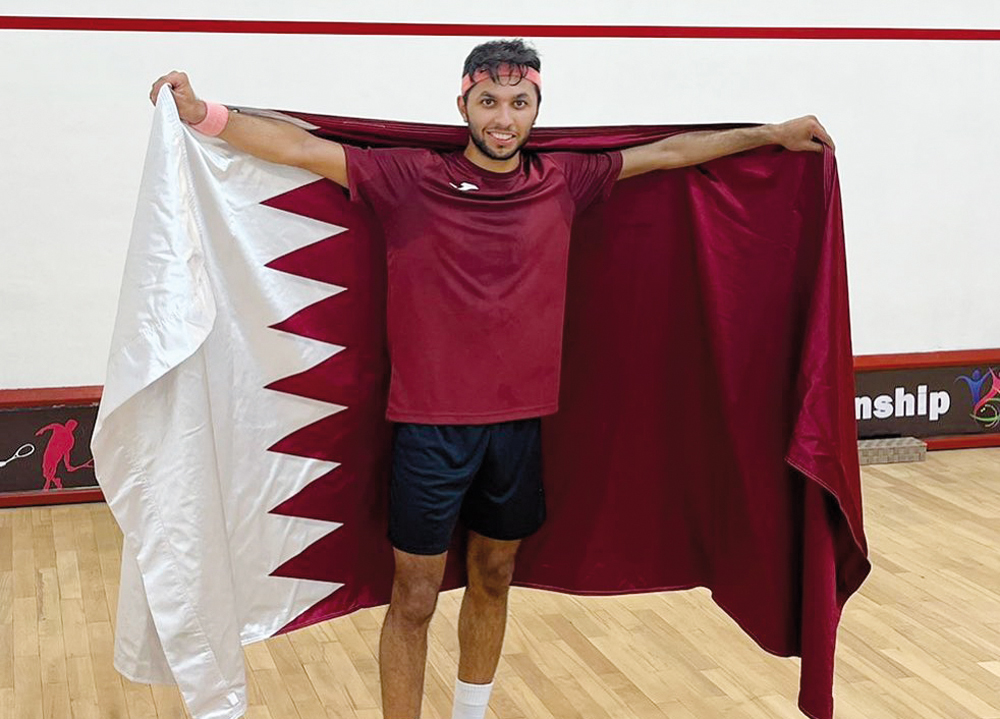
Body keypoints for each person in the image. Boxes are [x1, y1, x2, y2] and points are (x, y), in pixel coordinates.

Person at [150, 38, 834, 719]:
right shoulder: (408, 177)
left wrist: (770, 135)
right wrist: (203, 113)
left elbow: (668, 153)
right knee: (414, 596)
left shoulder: (565, 180)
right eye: (488, 102)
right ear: (464, 106)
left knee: (494, 577)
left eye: (518, 103)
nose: (503, 118)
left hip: (518, 431)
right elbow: (299, 149)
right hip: (428, 433)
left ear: (536, 108)